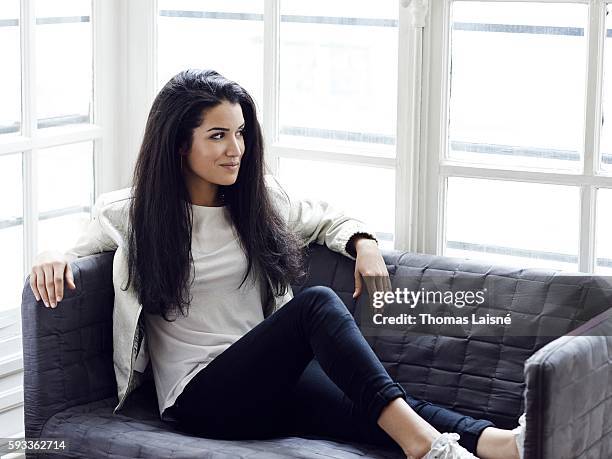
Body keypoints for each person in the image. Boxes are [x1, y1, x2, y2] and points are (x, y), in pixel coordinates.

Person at [29, 69, 524, 459]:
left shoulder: (258, 203)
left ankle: (498, 445)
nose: (236, 149)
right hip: (200, 399)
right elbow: (75, 247)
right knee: (316, 308)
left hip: (262, 381)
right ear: (181, 144)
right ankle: (425, 448)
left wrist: (364, 242)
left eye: (241, 132)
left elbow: (329, 219)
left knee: (376, 402)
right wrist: (49, 255)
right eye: (218, 135)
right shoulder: (133, 213)